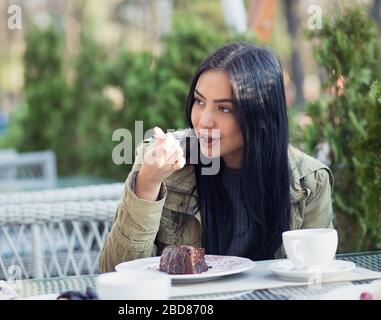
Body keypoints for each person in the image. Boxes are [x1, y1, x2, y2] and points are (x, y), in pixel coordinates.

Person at [99, 42, 334, 273]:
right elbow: (115, 272)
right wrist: (147, 184)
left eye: (224, 109)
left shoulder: (310, 182)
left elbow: (316, 275)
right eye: (199, 101)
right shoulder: (162, 161)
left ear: (262, 115)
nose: (203, 121)